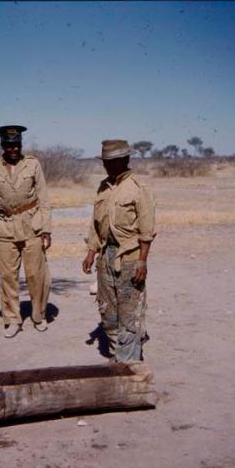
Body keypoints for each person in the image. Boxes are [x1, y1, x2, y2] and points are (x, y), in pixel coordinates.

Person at [82, 140, 156, 362]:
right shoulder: (103, 187)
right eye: (105, 162)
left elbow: (146, 231)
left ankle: (129, 365)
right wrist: (90, 252)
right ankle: (118, 354)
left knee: (129, 314)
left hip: (130, 257)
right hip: (106, 256)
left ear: (125, 160)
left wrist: (142, 262)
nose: (108, 166)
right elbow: (96, 224)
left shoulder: (138, 189)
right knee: (108, 312)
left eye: (112, 162)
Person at [0, 125, 52, 338]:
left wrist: (46, 230)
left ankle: (38, 316)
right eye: (9, 145)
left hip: (32, 226)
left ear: (21, 145)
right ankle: (12, 319)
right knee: (8, 277)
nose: (13, 149)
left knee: (36, 275)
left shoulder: (33, 164)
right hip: (5, 228)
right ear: (2, 146)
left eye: (16, 145)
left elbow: (44, 199)